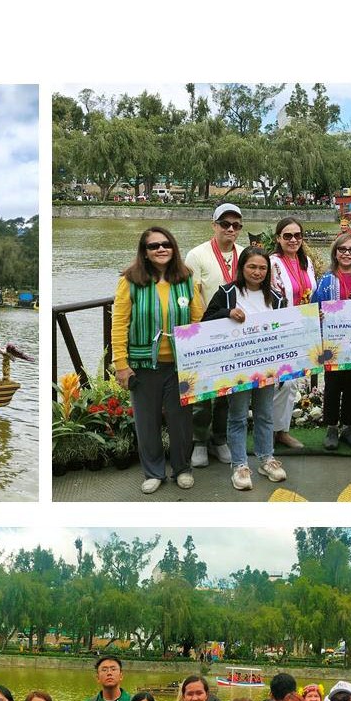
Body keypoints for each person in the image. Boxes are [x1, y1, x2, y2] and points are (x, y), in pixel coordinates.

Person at [112, 225, 205, 494]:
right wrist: (121, 364)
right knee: (146, 421)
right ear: (144, 252)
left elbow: (197, 318)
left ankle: (182, 468)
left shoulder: (186, 278)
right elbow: (119, 324)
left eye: (166, 244)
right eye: (153, 246)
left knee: (181, 421)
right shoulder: (130, 280)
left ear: (173, 248)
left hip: (179, 363)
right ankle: (153, 471)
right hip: (143, 364)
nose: (161, 249)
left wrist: (199, 358)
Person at [202, 246, 289, 491]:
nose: (257, 272)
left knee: (265, 414)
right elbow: (206, 320)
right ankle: (239, 465)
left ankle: (266, 459)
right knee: (238, 415)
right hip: (237, 367)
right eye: (252, 266)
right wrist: (227, 312)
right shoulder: (227, 292)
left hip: (267, 367)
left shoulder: (277, 297)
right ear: (242, 268)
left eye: (262, 268)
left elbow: (286, 329)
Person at [185, 203, 247, 469]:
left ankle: (219, 439)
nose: (230, 230)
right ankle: (199, 441)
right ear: (214, 225)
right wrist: (200, 331)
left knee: (227, 391)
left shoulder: (245, 255)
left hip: (238, 333)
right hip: (207, 330)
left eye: (236, 225)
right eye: (225, 224)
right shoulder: (196, 255)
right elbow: (192, 295)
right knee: (202, 393)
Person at [268, 216, 317, 451]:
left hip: (303, 331)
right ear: (279, 238)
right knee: (280, 383)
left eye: (297, 235)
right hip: (280, 332)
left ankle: (283, 431)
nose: (293, 239)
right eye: (287, 235)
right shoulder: (272, 263)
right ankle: (270, 431)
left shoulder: (306, 261)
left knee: (293, 383)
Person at [315, 231, 351, 452]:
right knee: (333, 385)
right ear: (335, 252)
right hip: (333, 342)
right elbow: (314, 308)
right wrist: (318, 315)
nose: (347, 253)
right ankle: (332, 427)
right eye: (342, 249)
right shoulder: (325, 281)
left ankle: (348, 426)